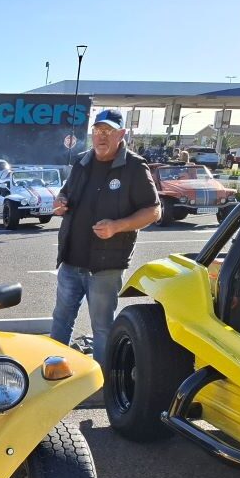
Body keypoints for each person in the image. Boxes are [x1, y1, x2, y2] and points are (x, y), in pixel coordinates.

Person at [49, 108, 160, 382]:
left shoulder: (135, 167)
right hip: (71, 261)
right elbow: (67, 192)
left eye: (108, 131)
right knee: (61, 321)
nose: (102, 136)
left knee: (101, 328)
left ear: (122, 134)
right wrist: (61, 202)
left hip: (105, 267)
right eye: (98, 131)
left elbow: (154, 211)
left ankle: (100, 385)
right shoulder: (82, 161)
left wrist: (117, 226)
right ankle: (52, 376)